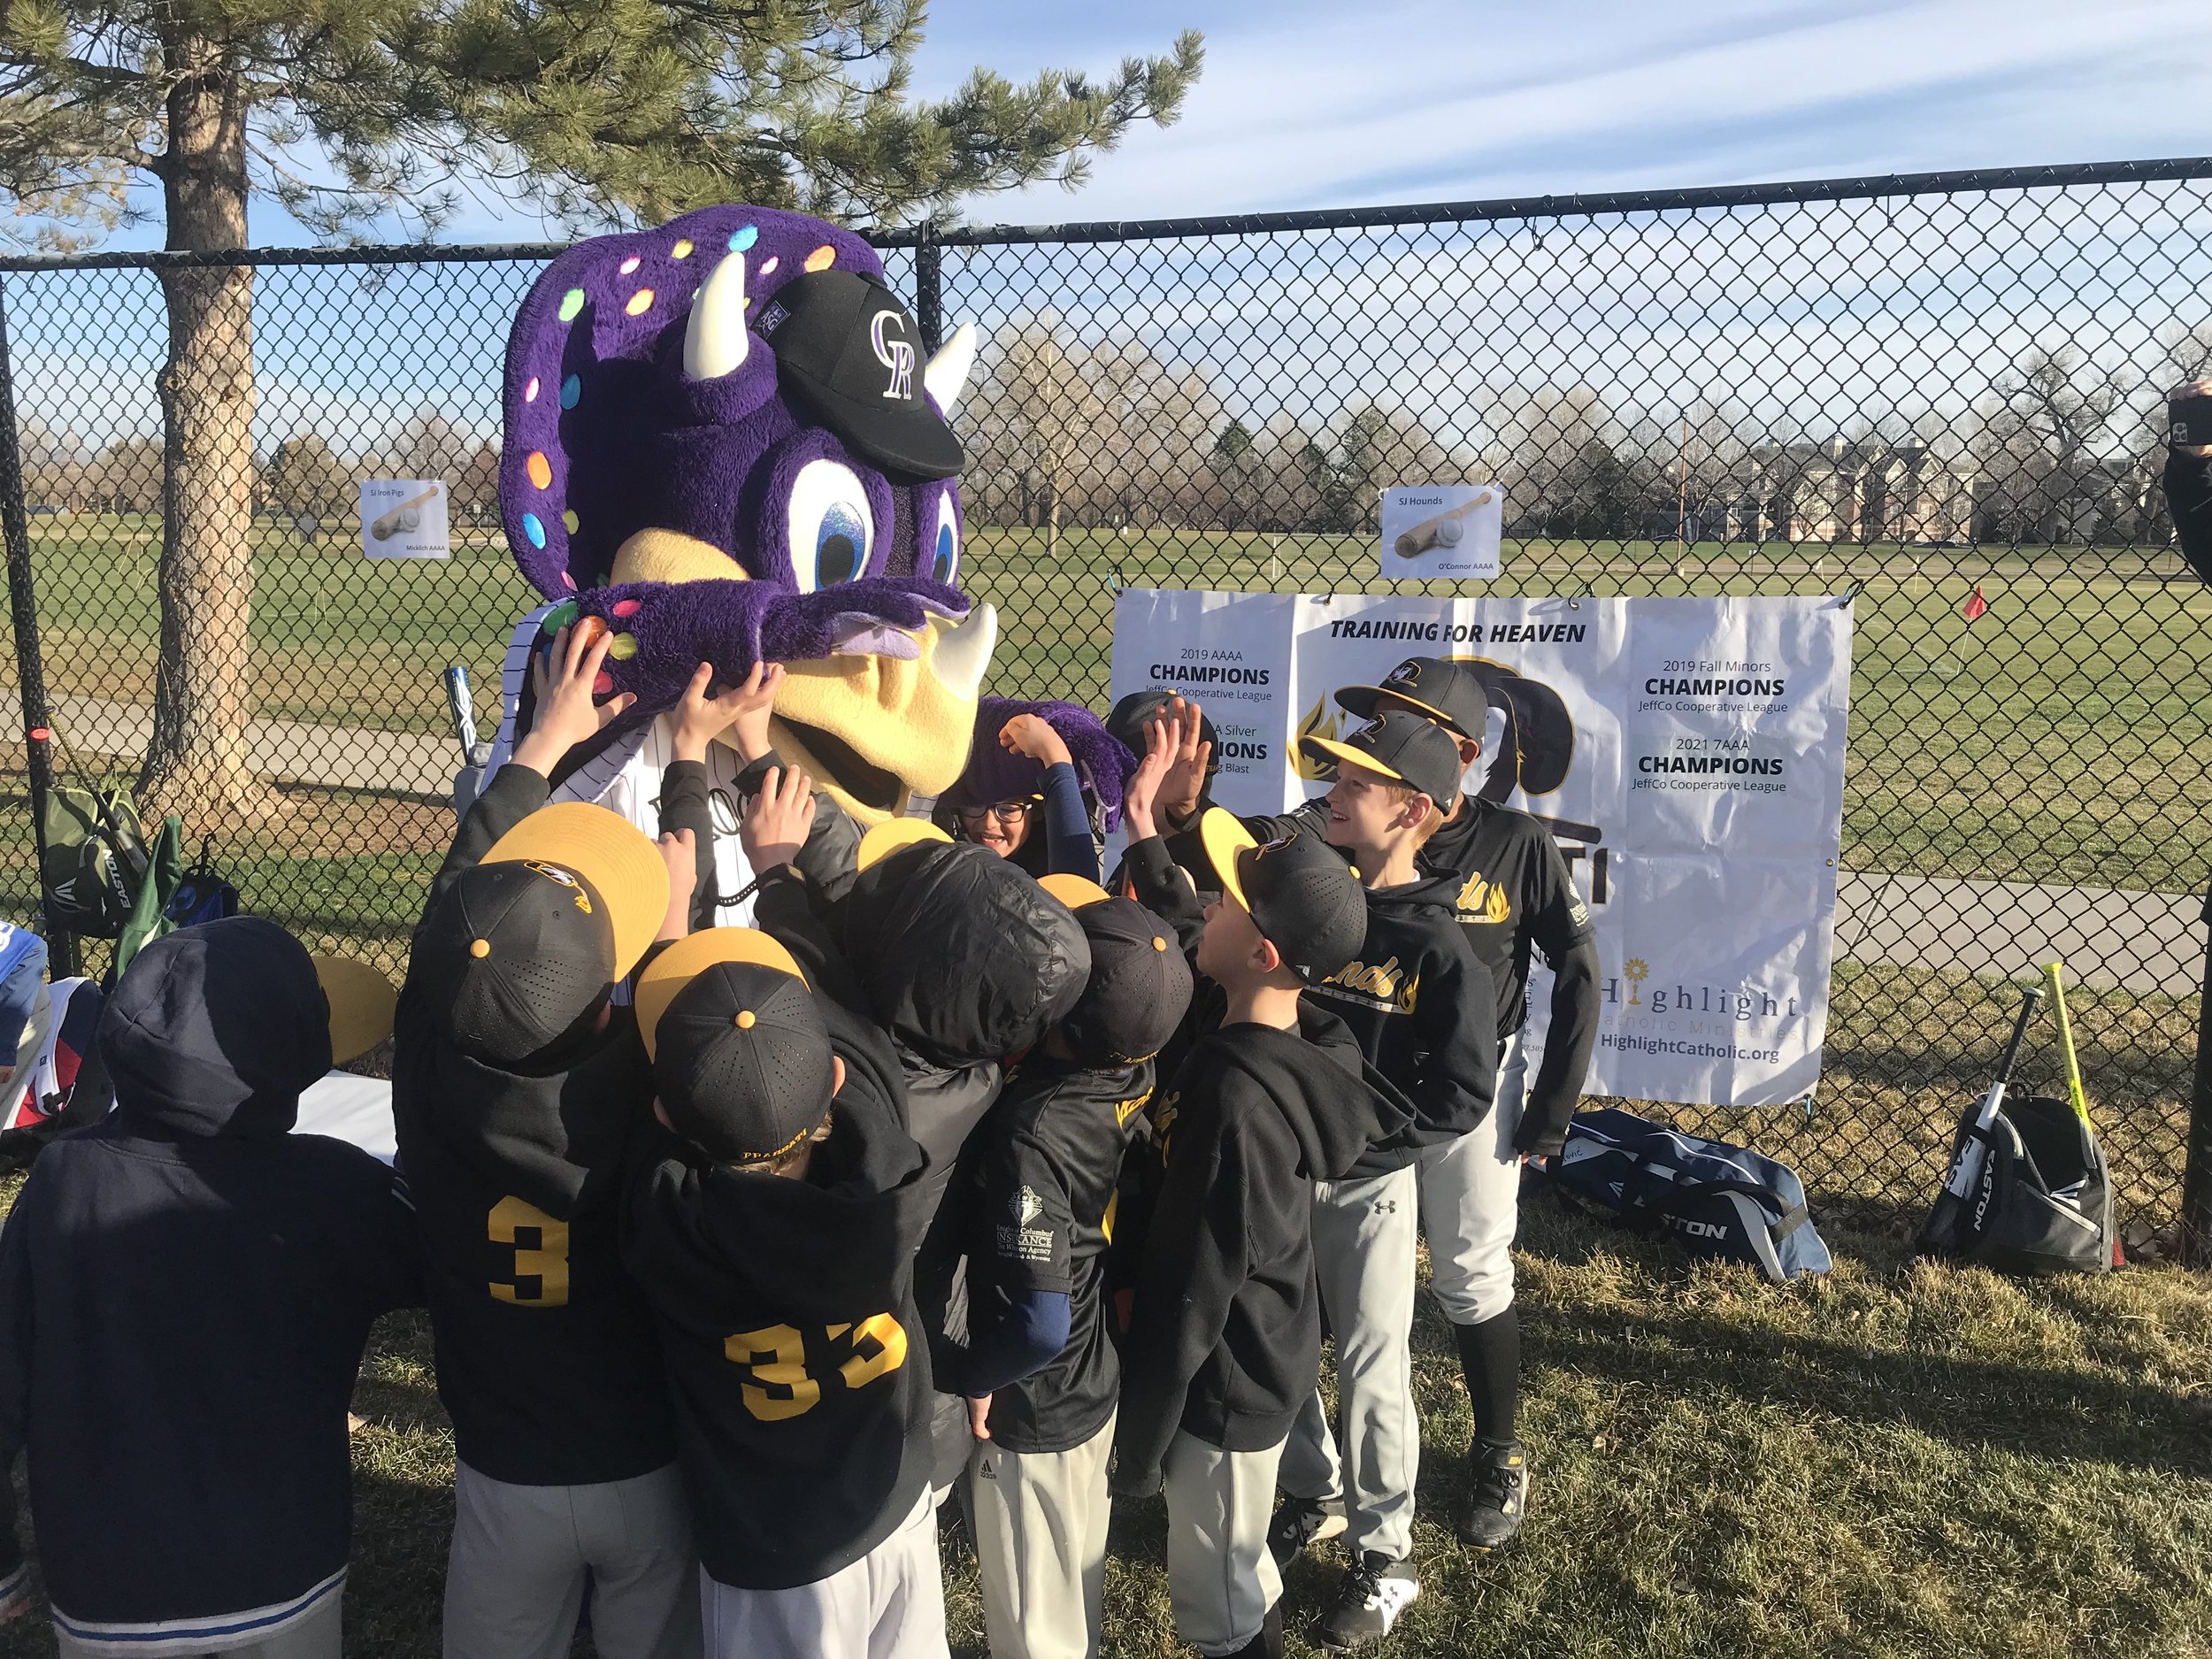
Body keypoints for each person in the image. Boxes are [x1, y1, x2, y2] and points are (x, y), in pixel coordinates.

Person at [1159, 665, 1600, 1550]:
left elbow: (1579, 970)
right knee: (1338, 1293)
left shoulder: (1514, 842)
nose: (1373, 739)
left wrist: (1549, 1110)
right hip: (1359, 1086)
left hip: (1467, 1085)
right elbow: (1245, 845)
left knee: (1471, 1269)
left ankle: (1497, 1450)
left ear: (1457, 758)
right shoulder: (1336, 834)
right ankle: (1323, 1487)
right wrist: (1176, 818)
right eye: (1374, 723)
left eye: (1400, 725)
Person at [393, 624, 757, 1659]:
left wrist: (534, 748)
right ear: (614, 1001)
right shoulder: (648, 1087)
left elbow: (446, 928)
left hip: (505, 1465)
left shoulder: (427, 1073)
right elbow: (694, 1031)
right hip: (646, 1459)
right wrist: (685, 769)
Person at [0, 918, 422, 1656]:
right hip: (284, 1566)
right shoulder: (337, 1185)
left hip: (108, 1586)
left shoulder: (61, 1180)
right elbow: (442, 1259)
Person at [622, 769, 945, 1659]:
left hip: (773, 1556)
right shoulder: (886, 1168)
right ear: (838, 1083)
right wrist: (776, 873)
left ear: (663, 1117)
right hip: (896, 1502)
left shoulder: (666, 1217)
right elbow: (845, 1019)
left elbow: (659, 1067)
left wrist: (667, 927)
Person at [1112, 807, 1406, 1659]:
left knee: (1220, 1599)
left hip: (1223, 1383)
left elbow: (1190, 1288)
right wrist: (1146, 839)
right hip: (1258, 1353)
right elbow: (1196, 938)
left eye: (1228, 899)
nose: (1209, 901)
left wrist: (1141, 1445)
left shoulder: (1236, 1103)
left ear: (1264, 954)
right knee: (1241, 1572)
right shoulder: (1296, 1034)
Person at [1247, 709, 1497, 1648]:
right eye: (1337, 778)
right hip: (1285, 1168)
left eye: (1358, 783)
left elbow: (1465, 1088)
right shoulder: (1314, 897)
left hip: (1364, 1186)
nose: (1334, 793)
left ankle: (1386, 1555)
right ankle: (1317, 1490)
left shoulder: (1436, 945)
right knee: (1280, 1338)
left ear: (1413, 811)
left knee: (1369, 1361)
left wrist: (1375, 1150)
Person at [959, 874, 1194, 1659]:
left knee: (1036, 1626)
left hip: (1037, 1396)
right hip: (1094, 1374)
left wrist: (976, 1375)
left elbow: (1038, 1320)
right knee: (1069, 1583)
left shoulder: (1036, 1133)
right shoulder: (1133, 1066)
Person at [936, 696, 1136, 883]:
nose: (988, 823)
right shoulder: (947, 867)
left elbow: (1077, 890)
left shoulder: (1045, 871)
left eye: (1008, 809)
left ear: (1039, 810)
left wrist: (1054, 758)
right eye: (974, 806)